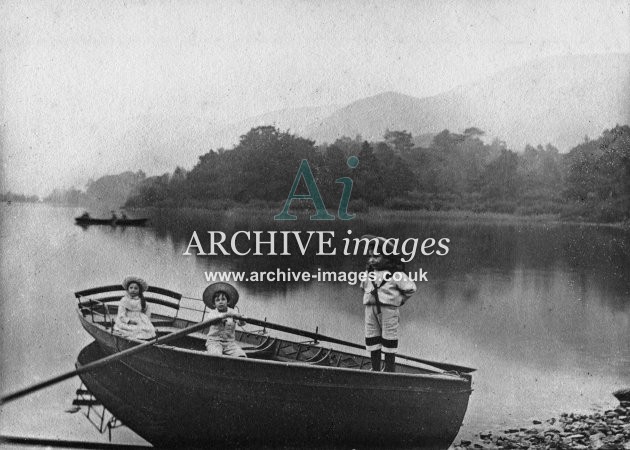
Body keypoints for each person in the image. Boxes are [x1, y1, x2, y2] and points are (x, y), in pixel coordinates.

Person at [360, 235, 417, 372]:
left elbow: (410, 289)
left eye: (376, 256)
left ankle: (389, 370)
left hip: (389, 310)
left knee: (389, 340)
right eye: (370, 256)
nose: (371, 260)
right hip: (370, 310)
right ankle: (375, 368)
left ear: (387, 257)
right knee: (372, 338)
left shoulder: (395, 274)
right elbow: (363, 287)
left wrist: (399, 300)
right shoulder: (369, 273)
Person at [202, 282, 247, 358]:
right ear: (214, 304)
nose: (220, 302)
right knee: (216, 357)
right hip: (214, 342)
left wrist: (241, 318)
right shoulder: (212, 313)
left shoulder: (232, 312)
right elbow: (208, 322)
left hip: (230, 344)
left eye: (223, 299)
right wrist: (220, 318)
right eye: (217, 300)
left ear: (227, 301)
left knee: (242, 356)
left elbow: (241, 323)